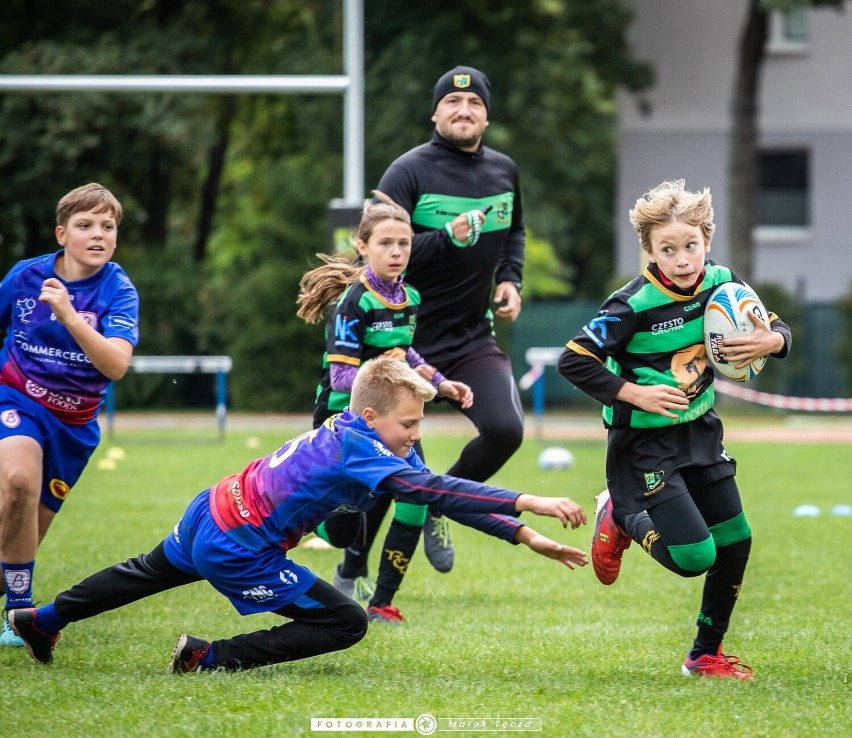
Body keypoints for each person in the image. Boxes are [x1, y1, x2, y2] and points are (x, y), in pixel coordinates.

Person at [9, 357, 589, 671]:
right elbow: (438, 491)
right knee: (346, 623)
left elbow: (425, 488)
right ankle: (208, 657)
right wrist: (527, 501)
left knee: (146, 571)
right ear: (370, 414)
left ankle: (44, 618)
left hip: (211, 506)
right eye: (409, 425)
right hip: (239, 545)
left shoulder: (357, 433)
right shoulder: (363, 449)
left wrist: (519, 534)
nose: (415, 437)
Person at [558, 179, 792, 680]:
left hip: (701, 430)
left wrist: (770, 342)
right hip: (643, 444)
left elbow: (773, 326)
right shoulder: (631, 305)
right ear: (649, 250)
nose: (682, 259)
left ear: (707, 240)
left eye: (691, 246)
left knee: (736, 539)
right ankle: (622, 518)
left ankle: (705, 655)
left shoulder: (724, 283)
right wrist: (634, 393)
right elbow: (573, 361)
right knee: (693, 558)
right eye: (668, 249)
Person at [375, 64, 527, 575]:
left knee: (506, 430)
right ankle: (353, 567)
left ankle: (440, 502)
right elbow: (375, 254)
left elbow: (515, 231)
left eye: (475, 104)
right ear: (435, 112)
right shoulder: (407, 172)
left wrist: (511, 278)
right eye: (453, 103)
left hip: (469, 339)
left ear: (486, 115)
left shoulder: (504, 171)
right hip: (399, 340)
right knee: (378, 457)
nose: (464, 110)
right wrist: (448, 237)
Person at [296, 193, 473, 623]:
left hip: (392, 421)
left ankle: (382, 602)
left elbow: (406, 354)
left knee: (415, 500)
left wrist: (441, 382)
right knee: (342, 532)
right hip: (345, 424)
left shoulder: (409, 296)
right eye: (386, 244)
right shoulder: (352, 303)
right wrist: (395, 372)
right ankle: (307, 515)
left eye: (404, 244)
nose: (396, 252)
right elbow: (342, 380)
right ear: (363, 247)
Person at [0, 182, 139, 647]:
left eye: (108, 226)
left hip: (75, 426)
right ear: (62, 233)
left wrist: (69, 314)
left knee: (26, 527)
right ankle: (20, 612)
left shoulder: (118, 290)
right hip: (17, 400)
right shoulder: (25, 277)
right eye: (85, 225)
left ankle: (11, 595)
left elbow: (116, 365)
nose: (97, 234)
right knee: (18, 481)